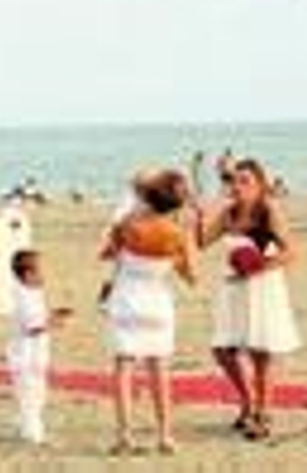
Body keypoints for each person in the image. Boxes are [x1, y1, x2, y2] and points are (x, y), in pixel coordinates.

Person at [195, 158, 301, 441]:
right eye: (234, 181)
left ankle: (263, 415)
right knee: (222, 350)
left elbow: (291, 252)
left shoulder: (268, 211)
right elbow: (202, 242)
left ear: (259, 185)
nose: (238, 186)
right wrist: (201, 215)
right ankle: (247, 402)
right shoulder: (228, 214)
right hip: (233, 290)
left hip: (261, 287)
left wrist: (257, 268)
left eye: (246, 181)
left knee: (260, 354)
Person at [100, 169, 197, 455]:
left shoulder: (127, 225)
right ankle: (165, 435)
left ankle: (125, 435)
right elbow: (190, 276)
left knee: (123, 369)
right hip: (157, 302)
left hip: (127, 298)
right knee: (159, 371)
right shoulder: (177, 233)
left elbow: (107, 253)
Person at [7, 249, 70, 445]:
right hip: (25, 357)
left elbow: (39, 316)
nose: (44, 275)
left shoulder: (34, 292)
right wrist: (53, 323)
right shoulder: (23, 297)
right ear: (28, 275)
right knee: (30, 394)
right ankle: (33, 433)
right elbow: (32, 327)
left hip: (36, 356)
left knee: (38, 393)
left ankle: (24, 424)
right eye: (39, 271)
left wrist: (53, 314)